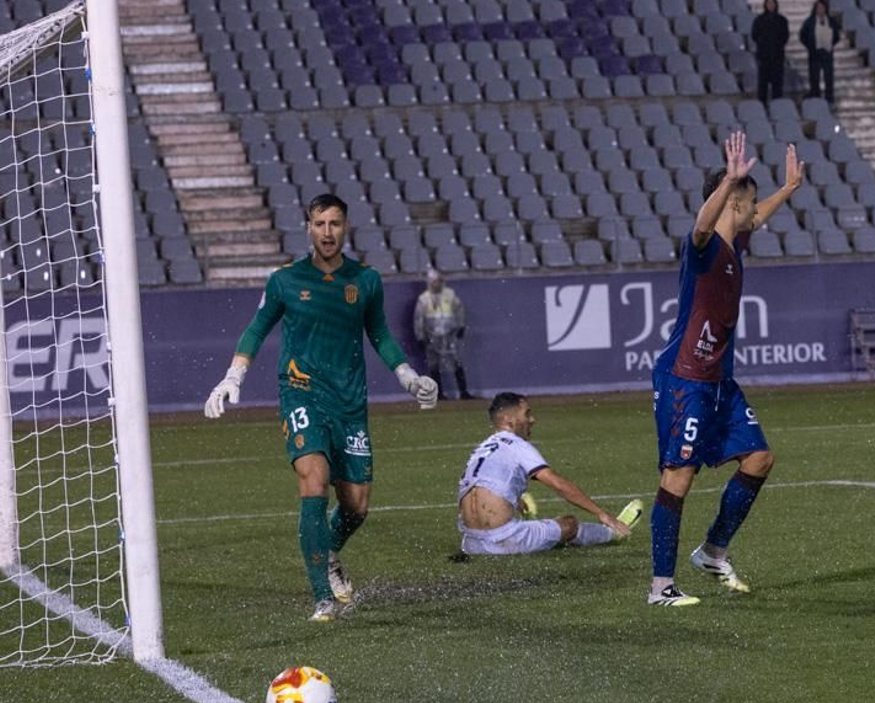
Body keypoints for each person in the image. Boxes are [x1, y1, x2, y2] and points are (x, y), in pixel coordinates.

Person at [201, 194, 440, 622]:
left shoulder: (365, 280)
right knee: (314, 478)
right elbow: (256, 329)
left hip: (349, 401)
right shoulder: (285, 280)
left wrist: (407, 375)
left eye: (334, 224)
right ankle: (321, 598)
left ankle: (327, 553)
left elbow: (380, 334)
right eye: (319, 224)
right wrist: (234, 375)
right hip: (301, 392)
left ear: (345, 227)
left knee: (357, 506)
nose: (327, 232)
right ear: (307, 228)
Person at [647, 133, 805, 607]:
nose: (757, 211)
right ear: (732, 202)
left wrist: (789, 188)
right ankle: (660, 588)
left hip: (719, 381)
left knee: (759, 459)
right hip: (685, 379)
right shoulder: (705, 249)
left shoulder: (735, 248)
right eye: (750, 202)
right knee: (679, 474)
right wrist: (729, 184)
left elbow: (755, 215)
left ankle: (713, 551)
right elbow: (700, 227)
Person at [456, 393, 641, 558]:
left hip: (472, 543)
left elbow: (483, 487)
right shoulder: (515, 444)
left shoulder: (482, 449)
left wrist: (516, 501)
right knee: (569, 524)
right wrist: (602, 514)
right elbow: (557, 483)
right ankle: (614, 533)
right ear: (509, 420)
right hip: (505, 539)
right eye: (527, 414)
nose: (532, 419)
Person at [413, 269, 473, 401]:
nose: (438, 284)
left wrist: (461, 325)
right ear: (430, 282)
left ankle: (463, 392)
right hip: (431, 336)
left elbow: (459, 310)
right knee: (434, 365)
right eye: (435, 281)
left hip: (449, 335)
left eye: (440, 281)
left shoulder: (450, 295)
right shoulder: (423, 299)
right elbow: (419, 319)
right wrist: (420, 337)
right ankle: (439, 394)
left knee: (456, 362)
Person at [799, 0, 841, 102]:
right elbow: (802, 36)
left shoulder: (831, 21)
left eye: (822, 8)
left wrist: (830, 44)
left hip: (827, 54)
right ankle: (815, 97)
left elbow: (836, 36)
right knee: (814, 77)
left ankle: (829, 99)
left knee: (828, 78)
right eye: (818, 8)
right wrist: (810, 46)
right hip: (814, 54)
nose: (820, 10)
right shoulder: (809, 22)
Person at [751, 0, 788, 104]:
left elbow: (785, 36)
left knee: (777, 85)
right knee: (762, 85)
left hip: (777, 57)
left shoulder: (782, 20)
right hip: (764, 57)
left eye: (772, 3)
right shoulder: (759, 20)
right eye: (768, 3)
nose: (770, 5)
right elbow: (754, 35)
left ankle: (777, 106)